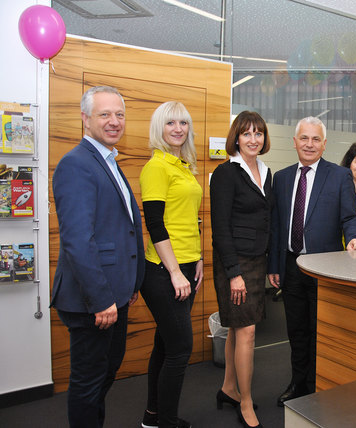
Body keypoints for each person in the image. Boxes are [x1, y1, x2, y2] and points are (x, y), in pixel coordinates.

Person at [51, 86, 145, 428]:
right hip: (93, 300)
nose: (114, 121)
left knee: (104, 375)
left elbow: (123, 228)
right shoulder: (76, 164)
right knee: (88, 384)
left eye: (119, 114)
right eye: (104, 114)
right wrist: (102, 299)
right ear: (85, 118)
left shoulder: (108, 161)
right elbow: (77, 240)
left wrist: (130, 284)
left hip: (114, 295)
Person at [268, 117, 356, 406]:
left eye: (315, 139)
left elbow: (350, 216)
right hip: (291, 266)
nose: (309, 144)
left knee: (320, 330)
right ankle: (298, 384)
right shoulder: (282, 178)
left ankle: (319, 385)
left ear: (324, 144)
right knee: (296, 330)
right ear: (294, 142)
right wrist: (274, 265)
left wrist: (355, 238)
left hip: (325, 269)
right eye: (304, 138)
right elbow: (276, 224)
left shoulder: (339, 176)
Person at [139, 101, 203, 428]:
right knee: (180, 350)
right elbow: (155, 223)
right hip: (165, 271)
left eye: (183, 122)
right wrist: (177, 271)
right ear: (159, 128)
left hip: (186, 266)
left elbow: (188, 219)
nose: (178, 128)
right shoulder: (156, 167)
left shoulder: (183, 165)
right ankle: (165, 421)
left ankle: (153, 416)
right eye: (170, 123)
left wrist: (198, 259)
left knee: (165, 344)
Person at [210, 111, 273, 428]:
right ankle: (245, 403)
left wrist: (271, 264)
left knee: (238, 327)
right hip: (233, 262)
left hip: (257, 260)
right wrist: (234, 273)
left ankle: (228, 388)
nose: (253, 139)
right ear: (236, 137)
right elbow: (220, 229)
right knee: (247, 331)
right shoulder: (225, 173)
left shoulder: (265, 170)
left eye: (259, 133)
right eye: (247, 133)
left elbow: (268, 220)